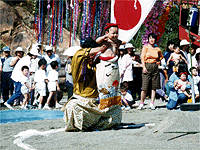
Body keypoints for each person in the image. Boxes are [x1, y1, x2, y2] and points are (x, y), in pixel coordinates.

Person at [62, 36, 122, 131]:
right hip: (81, 100)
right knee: (72, 106)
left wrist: (112, 45)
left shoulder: (98, 64)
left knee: (116, 109)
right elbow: (80, 54)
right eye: (91, 54)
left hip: (96, 102)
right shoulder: (78, 60)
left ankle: (99, 124)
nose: (92, 57)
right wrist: (100, 48)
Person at [137, 33, 164, 110]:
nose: (152, 40)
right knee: (145, 87)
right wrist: (144, 67)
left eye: (153, 38)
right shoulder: (145, 47)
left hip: (155, 66)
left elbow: (161, 56)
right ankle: (142, 103)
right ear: (148, 39)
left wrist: (158, 61)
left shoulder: (157, 49)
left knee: (154, 87)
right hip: (147, 65)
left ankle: (152, 103)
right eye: (150, 38)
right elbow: (142, 57)